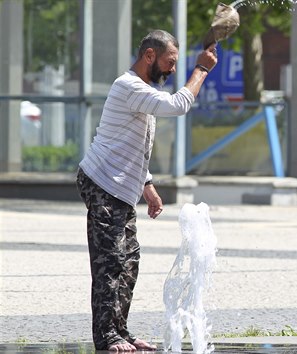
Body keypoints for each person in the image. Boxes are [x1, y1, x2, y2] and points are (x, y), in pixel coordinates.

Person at [76, 29, 217, 352]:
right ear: (149, 56)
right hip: (102, 182)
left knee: (129, 261)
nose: (171, 69)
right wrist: (202, 70)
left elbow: (133, 143)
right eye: (169, 62)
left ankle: (120, 330)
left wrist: (147, 184)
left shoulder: (142, 90)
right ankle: (106, 336)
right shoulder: (128, 86)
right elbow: (179, 104)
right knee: (109, 262)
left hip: (121, 188)